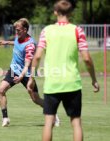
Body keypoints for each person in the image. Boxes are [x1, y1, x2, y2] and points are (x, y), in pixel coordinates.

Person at [27, 1, 100, 141]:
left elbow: (36, 56)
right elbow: (86, 58)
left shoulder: (46, 31)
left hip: (52, 84)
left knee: (49, 122)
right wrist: (94, 80)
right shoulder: (77, 30)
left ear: (55, 12)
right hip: (72, 83)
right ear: (71, 13)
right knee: (76, 122)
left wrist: (31, 78)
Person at [0, 18, 60, 127]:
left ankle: (53, 113)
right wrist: (6, 42)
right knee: (0, 90)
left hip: (26, 74)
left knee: (35, 99)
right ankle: (5, 118)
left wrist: (21, 76)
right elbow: (16, 43)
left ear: (25, 30)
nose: (16, 32)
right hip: (14, 70)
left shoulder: (30, 45)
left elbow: (27, 65)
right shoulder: (19, 36)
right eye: (16, 30)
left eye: (19, 30)